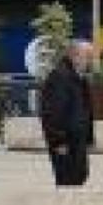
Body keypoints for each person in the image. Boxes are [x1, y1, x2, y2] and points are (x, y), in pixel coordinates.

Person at [39, 40, 96, 188]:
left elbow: (85, 110)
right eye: (88, 56)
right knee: (67, 181)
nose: (91, 61)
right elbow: (52, 113)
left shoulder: (79, 77)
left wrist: (88, 138)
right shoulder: (60, 76)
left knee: (79, 176)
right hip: (65, 143)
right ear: (74, 56)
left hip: (78, 141)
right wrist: (58, 141)